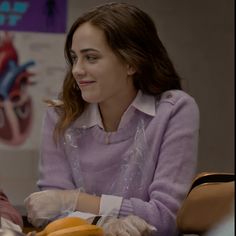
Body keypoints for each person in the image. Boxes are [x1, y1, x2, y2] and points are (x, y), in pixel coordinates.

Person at [24, 2, 200, 235]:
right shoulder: (60, 116)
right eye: (74, 58)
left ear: (131, 62)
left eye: (91, 58)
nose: (77, 69)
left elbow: (166, 218)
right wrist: (105, 224)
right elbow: (49, 213)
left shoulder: (174, 110)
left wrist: (71, 200)